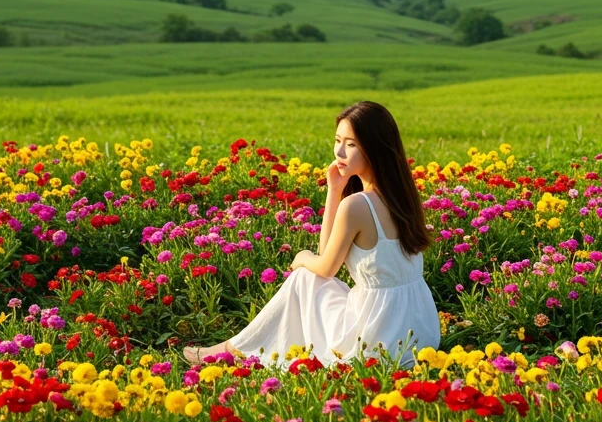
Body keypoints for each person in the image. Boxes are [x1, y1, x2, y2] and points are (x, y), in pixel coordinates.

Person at [183, 100, 441, 368]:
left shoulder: (357, 206)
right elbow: (328, 255)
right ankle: (234, 347)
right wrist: (335, 189)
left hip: (375, 341)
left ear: (374, 148)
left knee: (304, 277)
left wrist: (302, 256)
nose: (339, 151)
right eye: (337, 140)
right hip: (419, 335)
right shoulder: (404, 196)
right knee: (309, 278)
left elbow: (326, 267)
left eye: (351, 144)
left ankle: (231, 350)